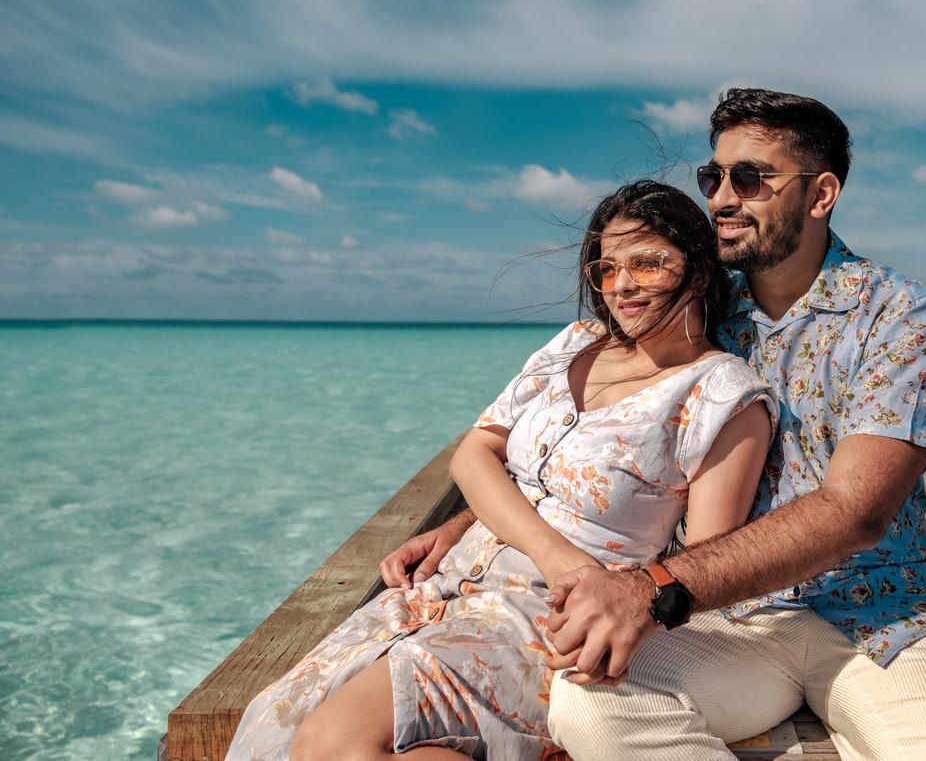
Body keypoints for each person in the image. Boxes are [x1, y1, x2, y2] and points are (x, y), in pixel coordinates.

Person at [543, 88, 926, 760]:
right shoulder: (698, 306)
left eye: (750, 178)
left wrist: (652, 586)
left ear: (821, 193)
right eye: (711, 177)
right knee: (589, 702)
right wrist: (471, 522)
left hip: (883, 610)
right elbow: (592, 428)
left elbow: (855, 512)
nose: (720, 199)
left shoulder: (898, 314)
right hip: (726, 618)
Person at [223, 180, 777, 761]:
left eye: (648, 263)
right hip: (445, 589)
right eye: (606, 268)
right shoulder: (576, 344)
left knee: (334, 742)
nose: (622, 286)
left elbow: (705, 567)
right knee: (284, 727)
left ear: (700, 268)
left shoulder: (723, 396)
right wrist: (497, 534)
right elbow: (473, 452)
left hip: (547, 618)